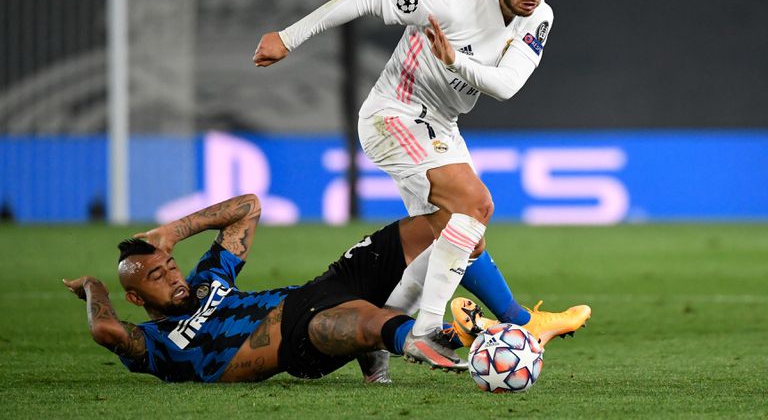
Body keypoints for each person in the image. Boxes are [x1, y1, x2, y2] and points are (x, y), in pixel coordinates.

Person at [252, 0, 590, 370]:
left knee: (458, 236)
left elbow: (506, 86)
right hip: (392, 114)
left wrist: (455, 60)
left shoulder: (539, 16)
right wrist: (287, 38)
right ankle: (433, 330)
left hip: (441, 125)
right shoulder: (447, 0)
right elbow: (362, 0)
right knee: (474, 204)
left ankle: (377, 339)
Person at [63, 193, 589, 384]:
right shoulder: (156, 347)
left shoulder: (207, 281)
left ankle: (518, 321)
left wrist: (171, 234)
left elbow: (248, 206)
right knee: (352, 324)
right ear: (137, 298)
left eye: (169, 265)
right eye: (157, 277)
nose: (173, 275)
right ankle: (419, 338)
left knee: (451, 221)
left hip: (322, 288)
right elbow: (106, 329)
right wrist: (92, 286)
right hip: (294, 345)